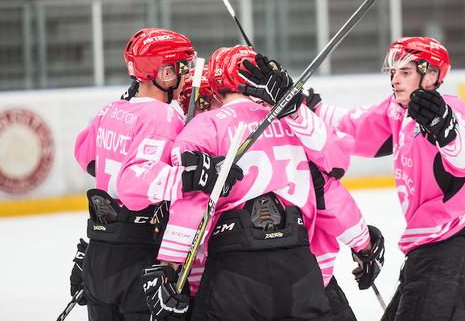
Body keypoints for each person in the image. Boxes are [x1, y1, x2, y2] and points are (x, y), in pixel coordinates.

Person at [136, 45, 371, 321]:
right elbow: (333, 175)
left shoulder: (205, 126)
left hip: (233, 269)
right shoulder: (292, 123)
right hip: (299, 267)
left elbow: (192, 200)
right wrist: (363, 243)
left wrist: (170, 266)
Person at [314, 37, 465, 321]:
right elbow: (354, 125)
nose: (395, 79)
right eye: (392, 72)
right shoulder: (398, 113)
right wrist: (304, 108)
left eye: (405, 72)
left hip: (457, 241)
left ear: (432, 75)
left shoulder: (450, 110)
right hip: (430, 246)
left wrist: (445, 128)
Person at [71, 28, 240, 321]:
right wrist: (191, 176)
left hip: (100, 253)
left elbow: (85, 155)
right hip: (141, 255)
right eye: (182, 67)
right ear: (163, 73)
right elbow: (134, 183)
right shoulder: (164, 116)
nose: (187, 75)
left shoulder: (111, 109)